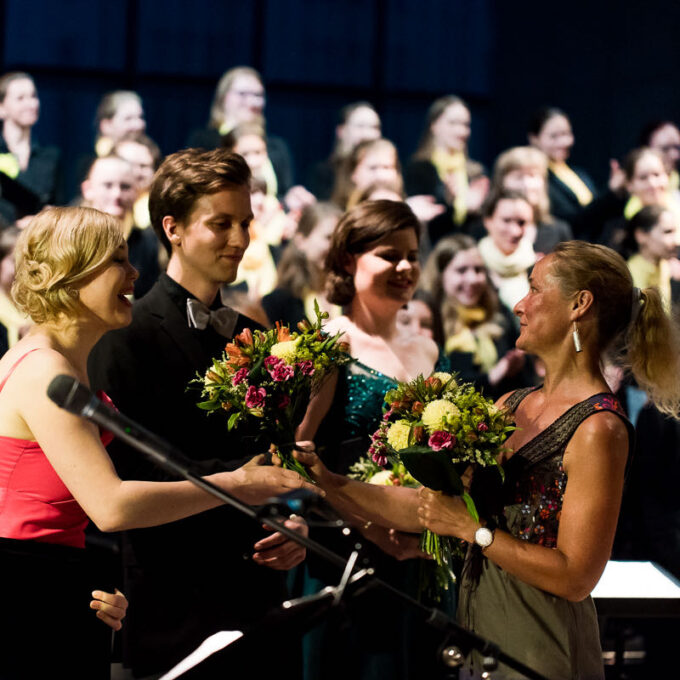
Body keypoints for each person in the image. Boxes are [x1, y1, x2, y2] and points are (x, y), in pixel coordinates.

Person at [294, 240, 680, 680]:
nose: (520, 304)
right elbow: (428, 509)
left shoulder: (598, 429)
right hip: (479, 630)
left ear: (579, 304)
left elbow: (576, 577)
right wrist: (327, 480)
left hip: (542, 642)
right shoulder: (509, 405)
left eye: (534, 289)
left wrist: (470, 530)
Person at [0, 206, 314, 678]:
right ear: (71, 273)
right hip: (25, 591)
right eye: (117, 260)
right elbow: (111, 506)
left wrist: (98, 583)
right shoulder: (44, 368)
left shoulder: (58, 360)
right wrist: (238, 485)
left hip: (51, 582)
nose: (134, 272)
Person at [88, 148, 313, 679]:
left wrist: (291, 525)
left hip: (259, 601)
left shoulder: (256, 339)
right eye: (221, 224)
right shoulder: (125, 335)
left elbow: (272, 464)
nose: (240, 239)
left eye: (245, 223)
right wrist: (243, 487)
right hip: (173, 603)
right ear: (174, 228)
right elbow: (127, 480)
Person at [297, 199, 452, 680]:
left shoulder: (426, 347)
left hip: (415, 554)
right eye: (389, 255)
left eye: (412, 255)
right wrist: (371, 526)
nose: (405, 267)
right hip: (346, 550)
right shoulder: (328, 341)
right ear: (348, 260)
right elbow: (298, 453)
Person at [420, 234, 529, 399]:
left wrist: (517, 366)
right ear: (441, 275)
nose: (472, 279)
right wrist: (492, 377)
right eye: (461, 270)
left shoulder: (499, 314)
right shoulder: (429, 321)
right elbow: (435, 386)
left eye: (478, 270)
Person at [81, 155, 160, 298]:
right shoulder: (71, 238)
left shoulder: (149, 244)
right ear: (87, 189)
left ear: (136, 192)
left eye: (125, 187)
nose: (116, 194)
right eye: (108, 185)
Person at [404, 95, 488, 230]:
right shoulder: (419, 169)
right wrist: (448, 200)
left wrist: (479, 209)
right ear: (434, 125)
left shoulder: (476, 172)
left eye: (465, 124)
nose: (461, 131)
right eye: (453, 123)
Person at [261, 201, 342, 328]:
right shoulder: (277, 303)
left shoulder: (352, 296)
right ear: (301, 241)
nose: (336, 246)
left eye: (340, 239)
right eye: (328, 237)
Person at [487, 146, 572, 256]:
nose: (527, 185)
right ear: (501, 183)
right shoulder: (483, 228)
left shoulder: (559, 231)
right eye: (518, 177)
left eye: (533, 175)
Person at [0, 71, 60, 225]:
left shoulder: (50, 157)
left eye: (33, 96)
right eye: (20, 98)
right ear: (2, 108)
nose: (31, 104)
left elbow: (60, 207)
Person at [477, 188, 537, 314]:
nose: (515, 231)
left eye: (521, 223)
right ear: (487, 221)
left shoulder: (539, 268)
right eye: (506, 220)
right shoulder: (474, 267)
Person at [307, 101, 382, 200]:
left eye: (374, 127)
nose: (368, 134)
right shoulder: (325, 172)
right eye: (360, 126)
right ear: (341, 131)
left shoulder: (386, 171)